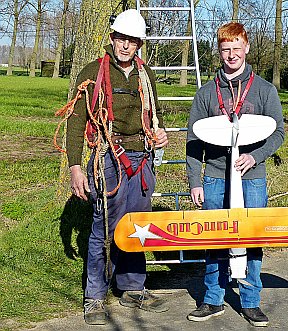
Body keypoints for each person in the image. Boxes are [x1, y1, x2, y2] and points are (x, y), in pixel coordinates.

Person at [66, 9, 169, 325]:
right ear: (112, 38)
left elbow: (155, 115)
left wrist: (160, 133)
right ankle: (95, 297)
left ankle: (132, 287)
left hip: (141, 158)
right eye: (121, 38)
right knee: (103, 226)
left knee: (136, 225)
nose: (125, 45)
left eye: (132, 40)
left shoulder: (145, 74)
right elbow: (75, 121)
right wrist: (75, 167)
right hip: (106, 158)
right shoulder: (93, 71)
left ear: (139, 44)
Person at [186, 22, 285, 327]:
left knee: (252, 237)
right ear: (219, 51)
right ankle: (213, 299)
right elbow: (193, 139)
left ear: (246, 48)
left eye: (236, 48)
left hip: (252, 178)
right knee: (214, 236)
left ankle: (251, 301)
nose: (231, 54)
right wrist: (195, 181)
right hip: (215, 176)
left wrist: (254, 157)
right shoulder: (206, 93)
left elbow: (278, 133)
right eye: (225, 49)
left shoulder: (264, 89)